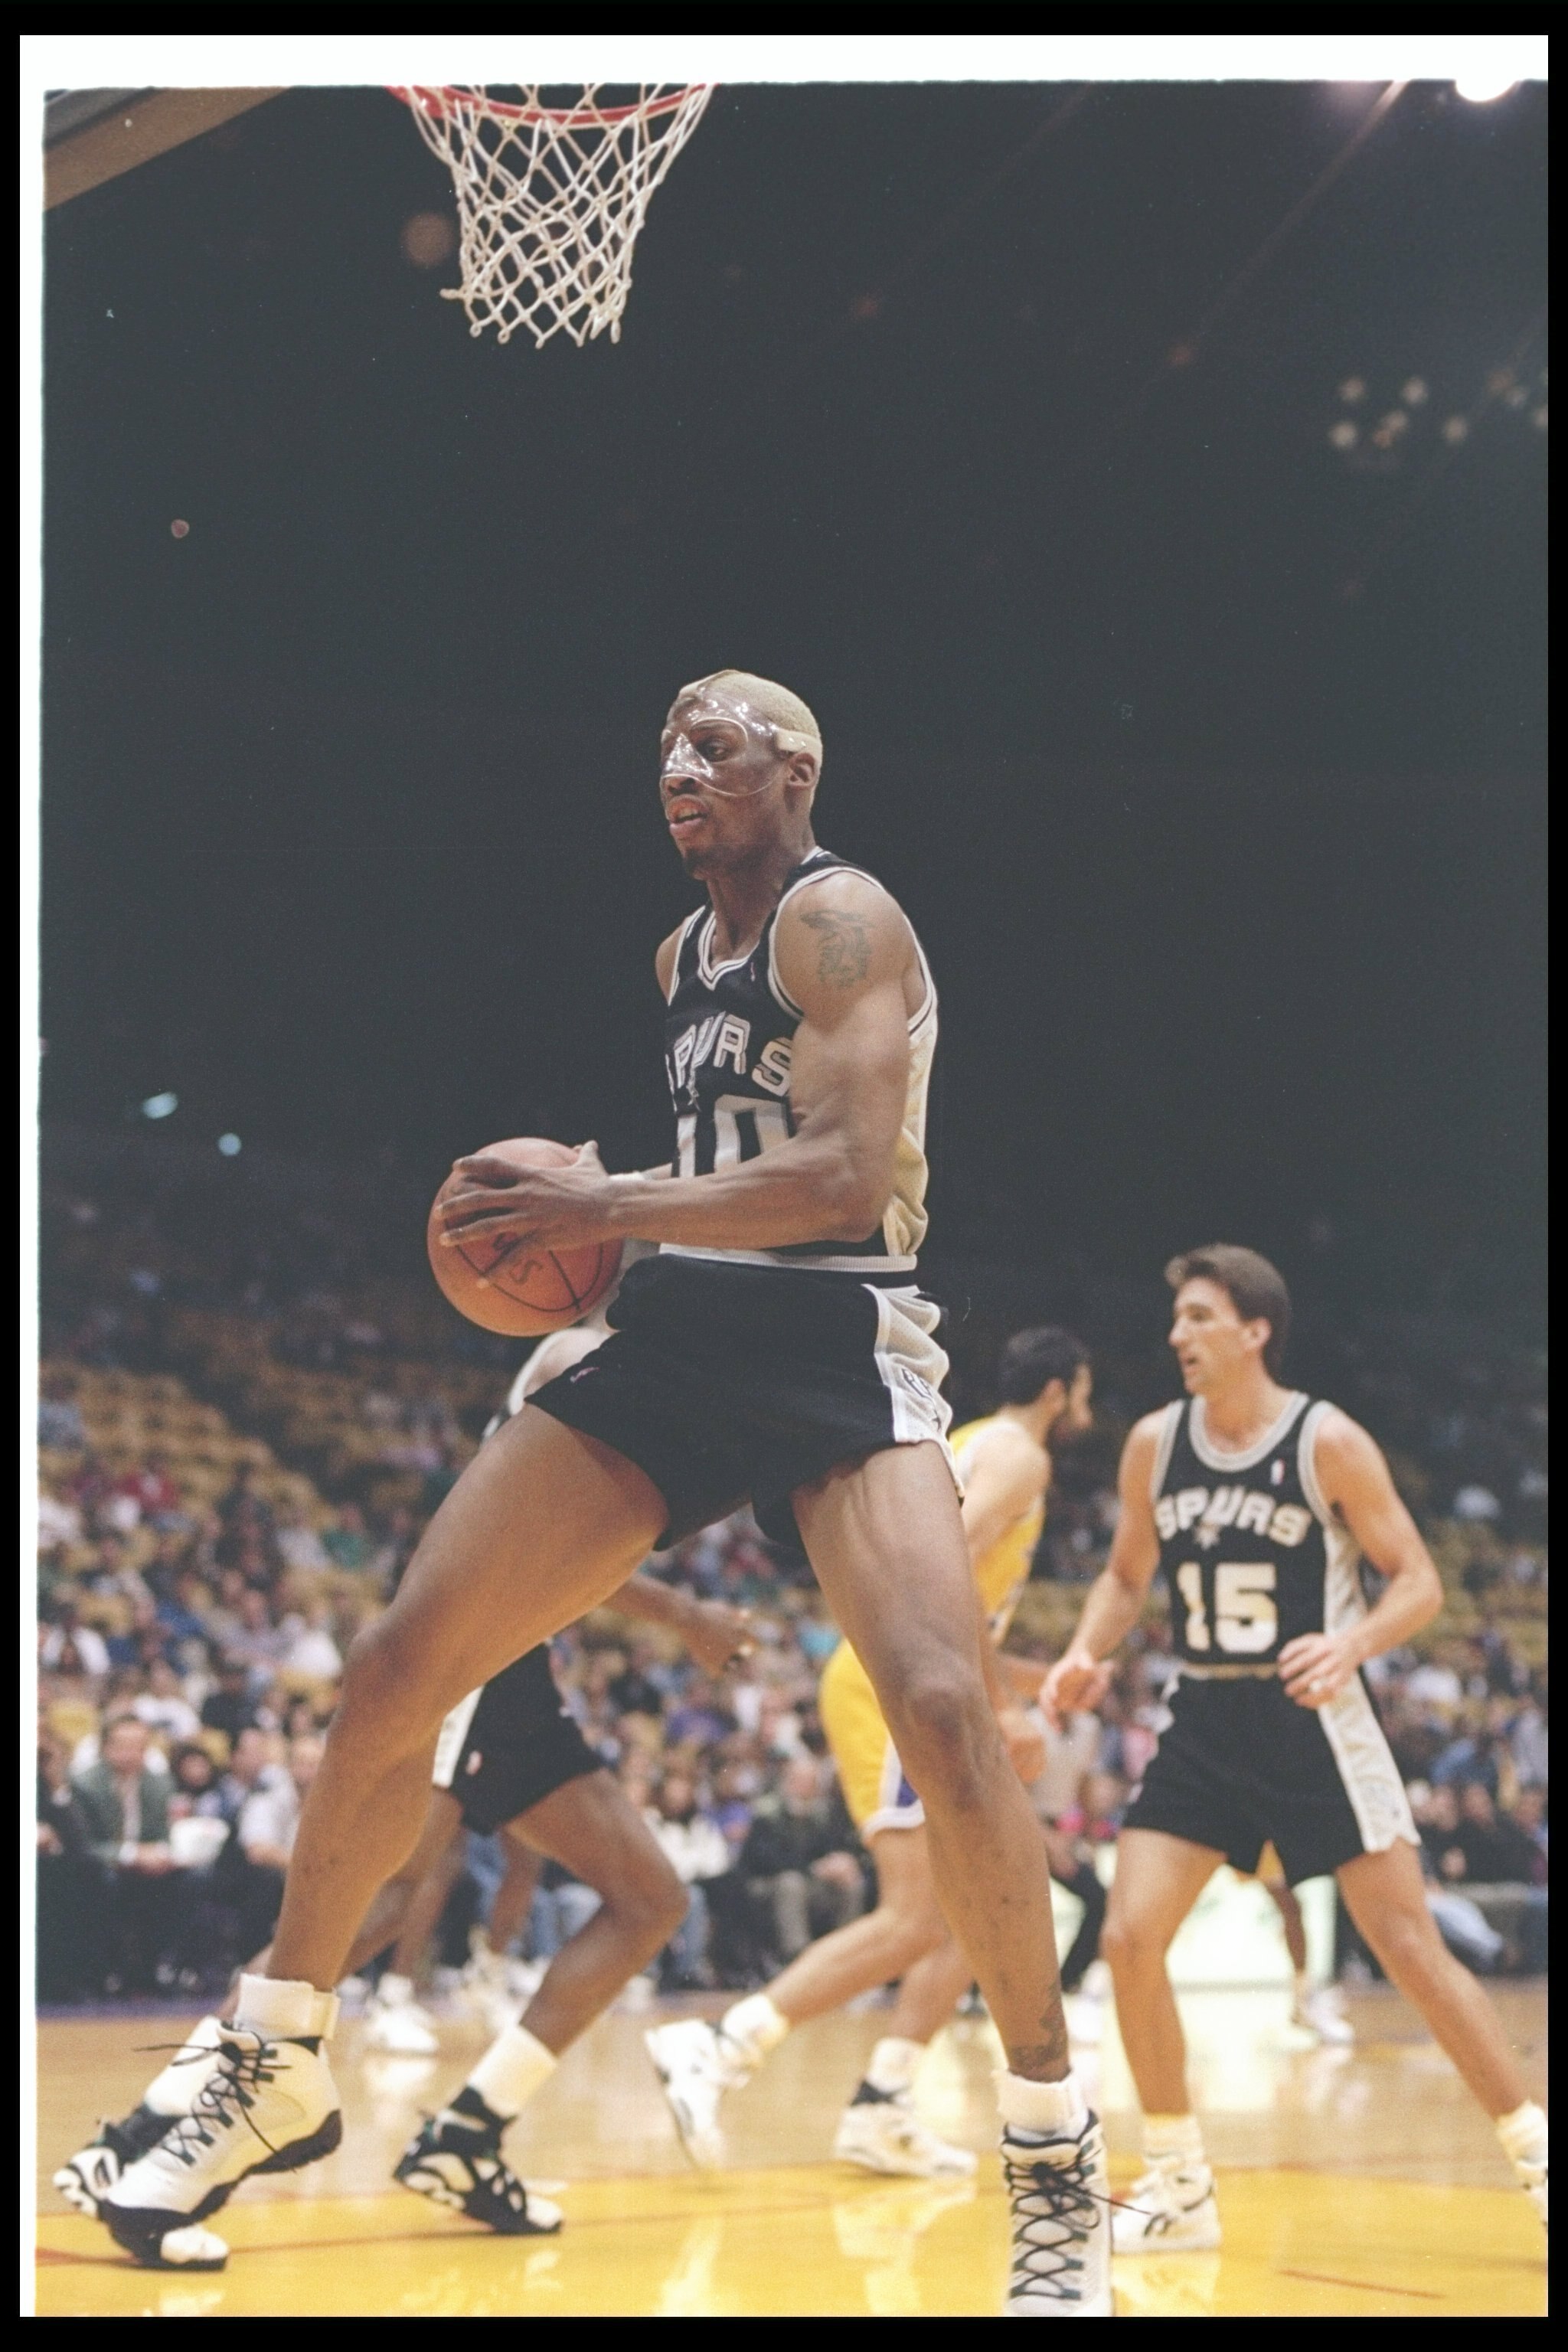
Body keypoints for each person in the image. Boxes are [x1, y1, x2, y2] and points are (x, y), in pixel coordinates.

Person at [96, 671, 1108, 2314]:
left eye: (714, 745)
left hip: (838, 1328)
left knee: (938, 1702)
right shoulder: (676, 959)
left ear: (796, 770)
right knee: (399, 1665)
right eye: (664, 749)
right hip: (679, 1329)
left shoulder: (841, 919)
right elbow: (692, 1192)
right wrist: (602, 1240)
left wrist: (604, 1201)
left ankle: (1055, 2161)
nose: (678, 768)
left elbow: (844, 1178)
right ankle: (274, 2051)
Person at [1043, 1244, 1548, 2256]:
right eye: (1178, 1318)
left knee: (1410, 1949)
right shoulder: (1155, 1444)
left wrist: (1353, 1641)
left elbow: (1418, 1581)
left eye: (1197, 1316)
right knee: (1129, 1941)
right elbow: (1126, 1574)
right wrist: (1084, 1650)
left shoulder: (1328, 1442)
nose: (1178, 1335)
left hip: (1313, 1716)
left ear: (1254, 1329)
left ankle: (1536, 2156)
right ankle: (1181, 2185)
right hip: (1206, 1718)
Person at [645, 1325, 1094, 2184]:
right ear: (1057, 1390)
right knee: (919, 1915)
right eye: (1082, 1391)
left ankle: (882, 2104)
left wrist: (1040, 1677)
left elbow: (962, 1600)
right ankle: (717, 2047)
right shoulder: (1021, 1457)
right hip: (896, 1678)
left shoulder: (971, 1443)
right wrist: (1003, 1706)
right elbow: (947, 1573)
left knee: (984, 1901)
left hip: (904, 1666)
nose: (1084, 1406)